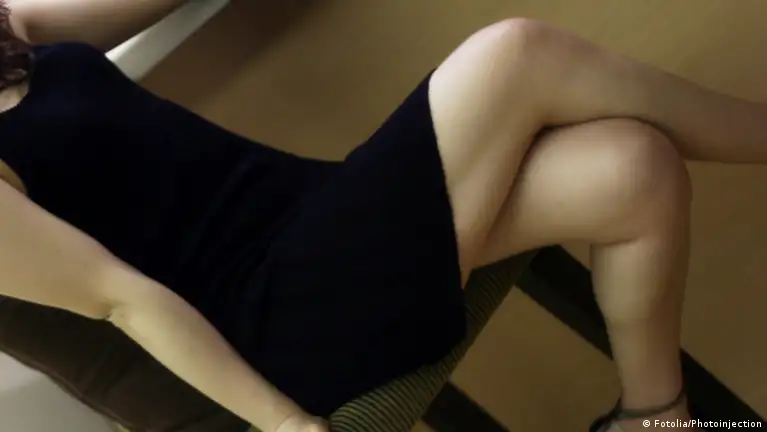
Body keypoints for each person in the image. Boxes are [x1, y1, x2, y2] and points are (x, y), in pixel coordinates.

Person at [0, 1, 765, 431]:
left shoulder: (13, 33)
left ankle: (654, 416)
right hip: (277, 325)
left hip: (315, 223)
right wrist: (288, 427)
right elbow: (120, 299)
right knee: (514, 53)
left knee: (629, 169)